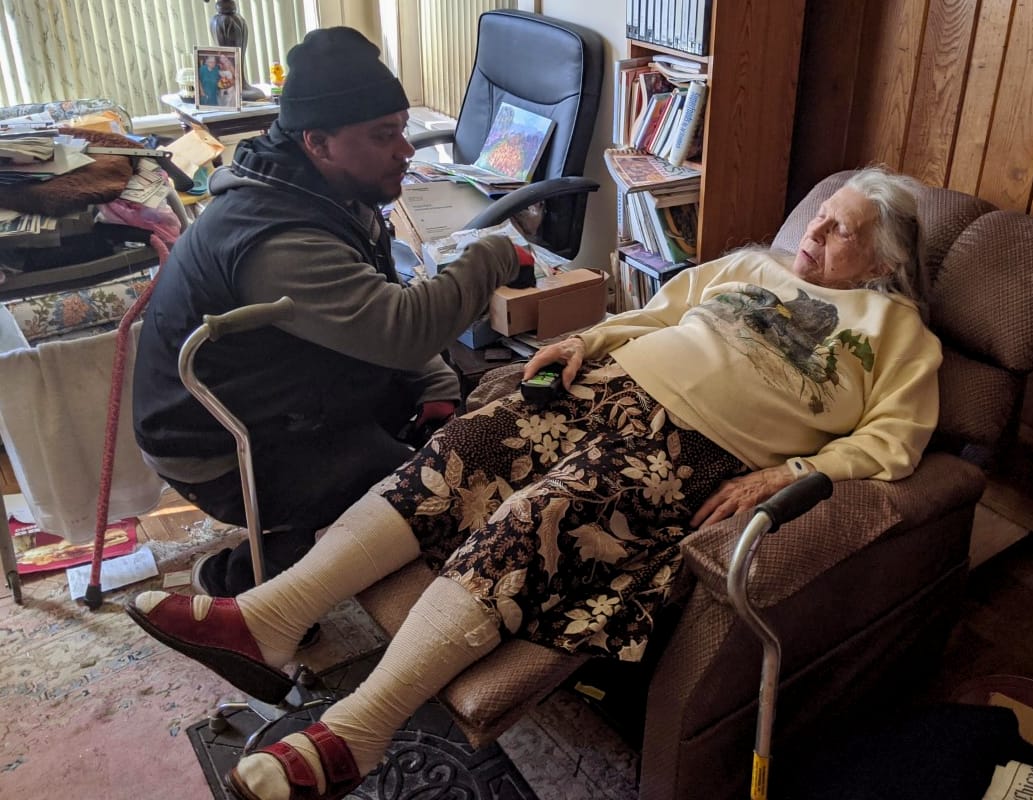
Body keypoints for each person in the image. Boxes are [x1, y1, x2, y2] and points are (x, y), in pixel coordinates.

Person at [127, 166, 941, 800]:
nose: (819, 230)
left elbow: (896, 441)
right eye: (822, 215)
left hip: (698, 448)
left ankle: (356, 735)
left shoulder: (896, 332)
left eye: (843, 230)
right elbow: (655, 315)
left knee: (539, 520)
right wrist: (586, 340)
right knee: (457, 452)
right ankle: (272, 618)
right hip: (608, 384)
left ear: (882, 259)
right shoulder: (749, 265)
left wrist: (797, 470)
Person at [132, 27, 536, 602]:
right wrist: (493, 252)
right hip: (222, 446)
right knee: (425, 497)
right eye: (383, 135)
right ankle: (241, 581)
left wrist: (434, 385)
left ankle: (307, 544)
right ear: (317, 142)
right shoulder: (281, 237)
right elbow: (402, 329)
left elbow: (380, 303)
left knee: (444, 440)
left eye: (401, 128)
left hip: (284, 402)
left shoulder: (328, 193)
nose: (406, 149)